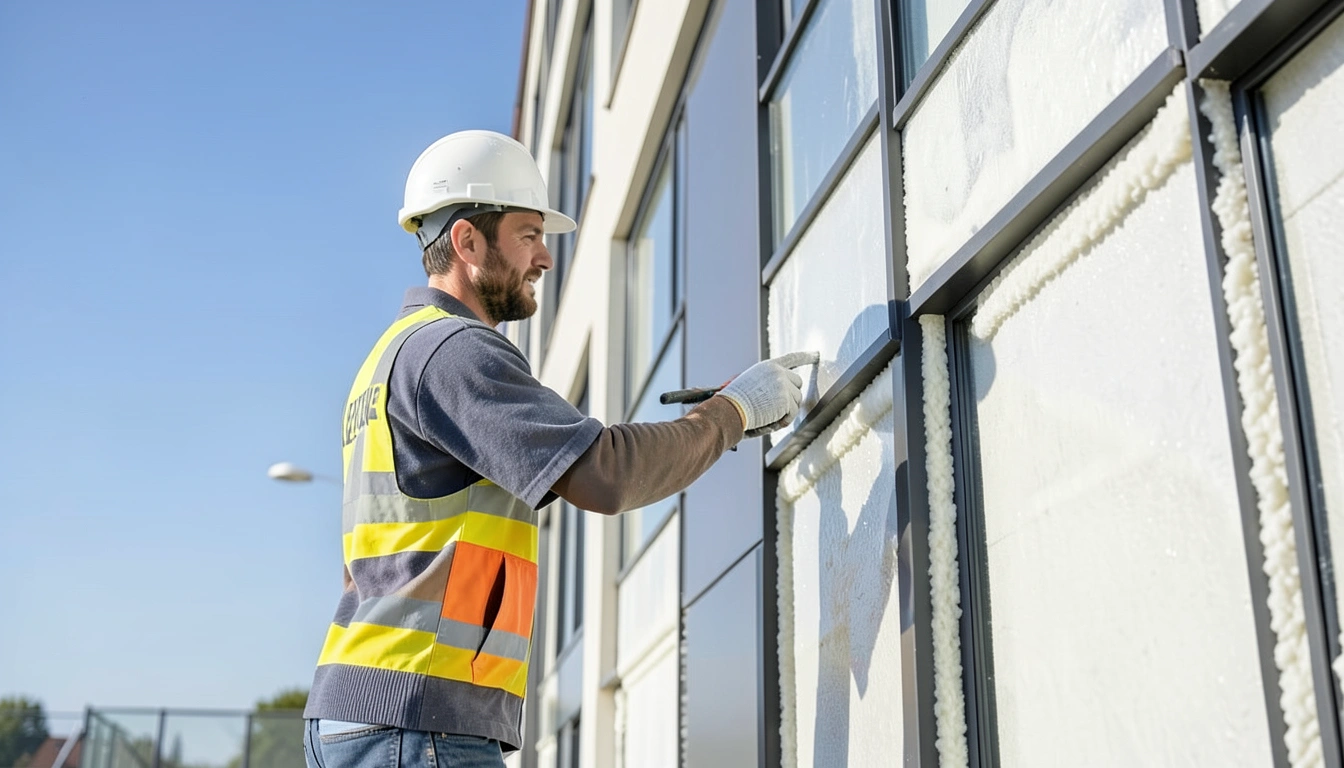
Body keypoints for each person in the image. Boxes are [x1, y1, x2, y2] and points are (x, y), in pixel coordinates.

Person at [300, 130, 811, 768]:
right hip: (416, 715)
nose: (545, 257)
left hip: (367, 712)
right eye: (527, 234)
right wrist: (733, 413)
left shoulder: (386, 360)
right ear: (467, 241)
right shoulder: (453, 351)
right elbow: (608, 475)